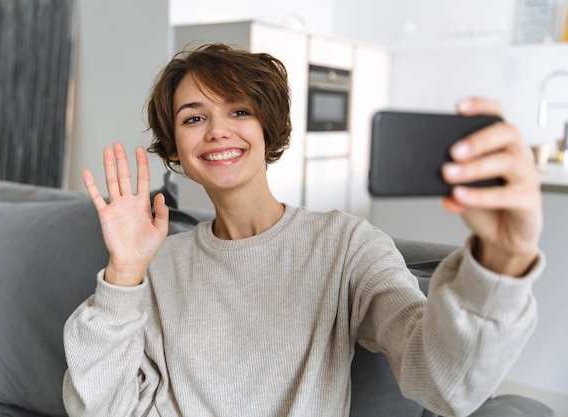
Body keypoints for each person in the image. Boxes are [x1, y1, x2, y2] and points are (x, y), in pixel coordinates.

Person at [62, 43, 544, 417]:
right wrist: (124, 272)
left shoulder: (346, 246)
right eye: (193, 118)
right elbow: (98, 406)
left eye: (239, 111)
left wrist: (499, 262)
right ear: (173, 149)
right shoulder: (157, 262)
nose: (217, 131)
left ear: (268, 129)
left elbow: (445, 382)